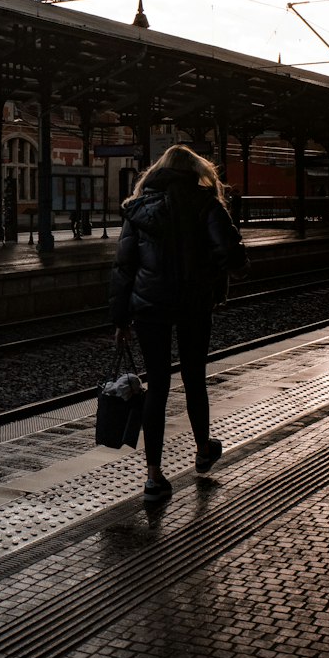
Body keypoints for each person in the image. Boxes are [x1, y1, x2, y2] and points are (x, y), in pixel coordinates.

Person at [109, 145, 248, 505]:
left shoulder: (139, 208)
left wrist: (121, 318)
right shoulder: (206, 203)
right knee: (194, 378)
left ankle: (154, 477)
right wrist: (210, 270)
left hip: (150, 306)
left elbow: (124, 267)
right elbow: (234, 257)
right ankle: (203, 450)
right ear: (193, 171)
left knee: (157, 386)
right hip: (193, 304)